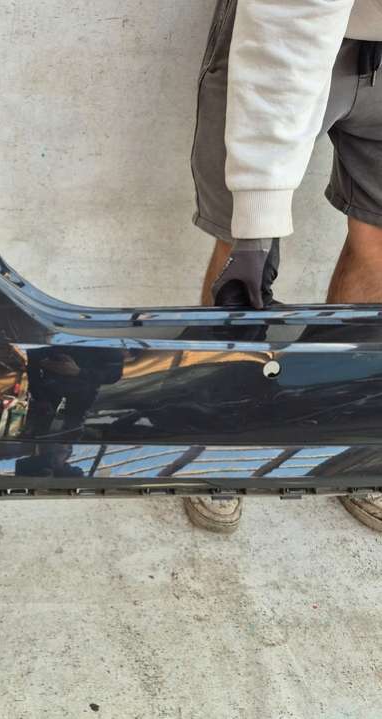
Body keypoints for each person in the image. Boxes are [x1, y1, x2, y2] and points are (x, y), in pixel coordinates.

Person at [186, 0, 382, 533]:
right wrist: (257, 218)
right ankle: (223, 432)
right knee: (244, 249)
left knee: (380, 240)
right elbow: (287, 28)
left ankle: (342, 424)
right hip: (281, 34)